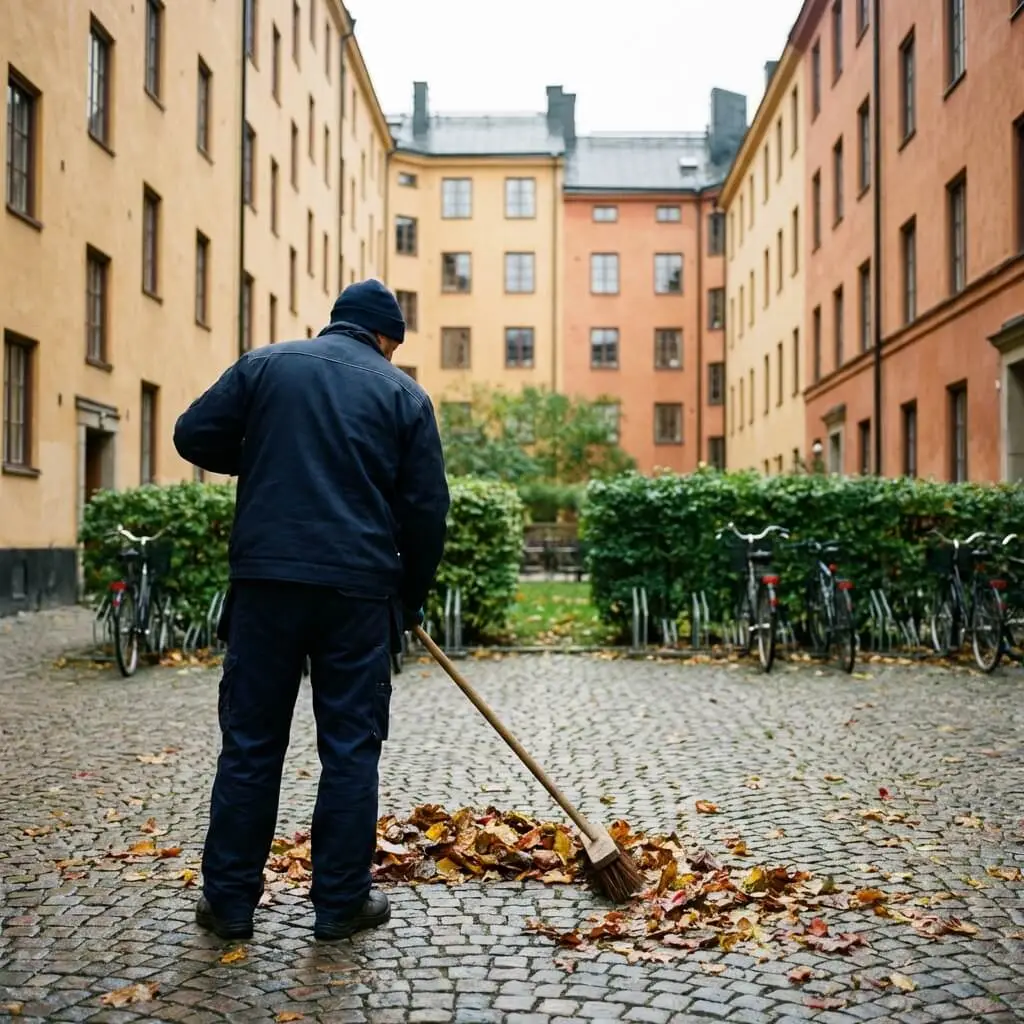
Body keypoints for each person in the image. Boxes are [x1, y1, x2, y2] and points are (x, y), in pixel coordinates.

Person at [173, 279, 450, 942]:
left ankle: (231, 905)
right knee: (351, 748)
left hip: (266, 584)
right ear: (388, 340)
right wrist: (406, 600)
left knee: (250, 743)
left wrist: (265, 455)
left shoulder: (266, 365)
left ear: (334, 324)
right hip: (357, 593)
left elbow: (191, 435)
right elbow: (425, 511)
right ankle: (340, 905)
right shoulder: (403, 394)